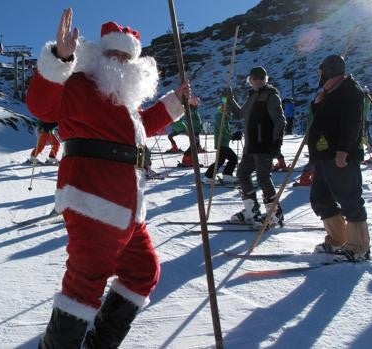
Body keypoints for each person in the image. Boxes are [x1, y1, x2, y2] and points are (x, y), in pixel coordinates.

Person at [26, 9, 189, 348]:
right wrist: (60, 58)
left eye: (127, 57)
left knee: (144, 271)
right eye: (114, 54)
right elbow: (42, 106)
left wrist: (176, 103)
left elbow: (141, 127)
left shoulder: (124, 101)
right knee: (85, 283)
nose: (121, 62)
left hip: (128, 208)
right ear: (99, 54)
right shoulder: (80, 83)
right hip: (91, 199)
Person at [308, 54, 370, 262]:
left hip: (339, 155)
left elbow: (352, 124)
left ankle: (359, 247)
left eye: (324, 75)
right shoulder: (330, 92)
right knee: (320, 199)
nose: (322, 79)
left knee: (349, 199)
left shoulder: (351, 91)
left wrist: (343, 150)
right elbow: (322, 119)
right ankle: (337, 240)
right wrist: (317, 104)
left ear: (332, 73)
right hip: (323, 155)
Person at [225, 66, 286, 227]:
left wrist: (276, 145)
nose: (257, 81)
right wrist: (229, 99)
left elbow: (280, 122)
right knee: (242, 174)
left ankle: (275, 214)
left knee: (263, 178)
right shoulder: (252, 96)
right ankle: (252, 210)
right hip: (251, 146)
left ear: (264, 79)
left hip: (264, 146)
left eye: (260, 78)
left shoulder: (271, 96)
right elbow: (240, 114)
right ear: (251, 80)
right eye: (254, 78)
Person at [203, 102, 239, 184]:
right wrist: (232, 137)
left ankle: (227, 175)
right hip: (221, 143)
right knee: (221, 161)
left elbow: (226, 131)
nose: (230, 111)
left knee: (232, 159)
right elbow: (222, 131)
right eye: (228, 109)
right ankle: (208, 177)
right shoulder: (220, 116)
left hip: (224, 143)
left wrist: (233, 135)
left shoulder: (225, 117)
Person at [179, 96, 204, 167]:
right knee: (195, 145)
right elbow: (191, 120)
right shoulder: (191, 110)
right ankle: (188, 159)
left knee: (195, 145)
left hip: (196, 130)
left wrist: (201, 126)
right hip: (193, 130)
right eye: (197, 103)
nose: (198, 105)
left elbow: (197, 121)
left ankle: (188, 159)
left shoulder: (194, 110)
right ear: (194, 103)